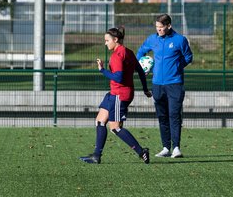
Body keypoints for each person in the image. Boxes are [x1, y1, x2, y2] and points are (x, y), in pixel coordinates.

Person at [79, 26, 152, 164]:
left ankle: (141, 151)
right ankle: (96, 155)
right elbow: (141, 72)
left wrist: (102, 70)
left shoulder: (117, 55)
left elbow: (118, 77)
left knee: (115, 128)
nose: (105, 43)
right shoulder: (129, 52)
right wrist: (145, 89)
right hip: (114, 93)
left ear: (115, 39)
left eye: (107, 40)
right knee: (100, 121)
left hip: (120, 95)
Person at [136, 14, 193, 158]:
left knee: (174, 115)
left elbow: (188, 57)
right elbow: (141, 52)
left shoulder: (180, 40)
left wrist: (177, 67)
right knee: (162, 116)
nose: (159, 30)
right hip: (157, 85)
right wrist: (143, 67)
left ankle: (176, 148)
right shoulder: (152, 39)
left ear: (169, 26)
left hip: (175, 84)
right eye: (157, 27)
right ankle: (166, 147)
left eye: (161, 27)